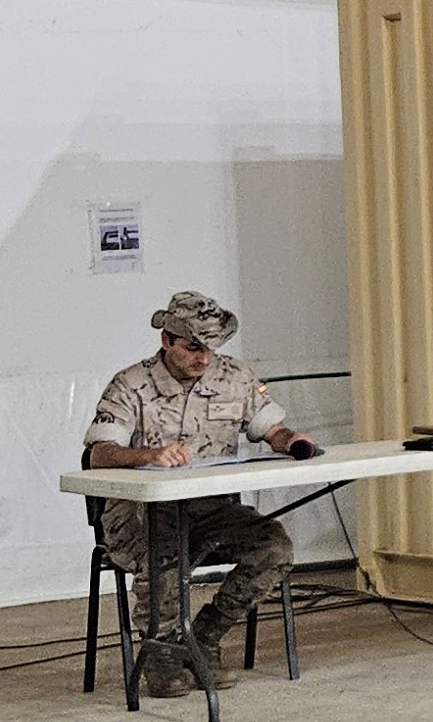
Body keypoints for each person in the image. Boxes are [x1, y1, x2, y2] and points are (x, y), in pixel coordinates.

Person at [84, 291, 317, 696]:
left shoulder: (235, 377)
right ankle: (163, 654)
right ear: (166, 341)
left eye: (211, 347)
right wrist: (149, 456)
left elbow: (270, 428)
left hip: (210, 511)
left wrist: (289, 439)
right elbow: (98, 454)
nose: (204, 358)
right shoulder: (130, 385)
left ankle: (203, 637)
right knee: (166, 543)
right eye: (193, 347)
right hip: (139, 513)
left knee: (273, 548)